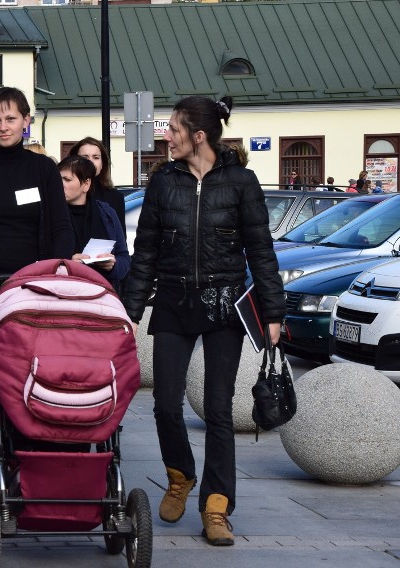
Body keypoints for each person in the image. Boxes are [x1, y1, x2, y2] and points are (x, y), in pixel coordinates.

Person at [121, 95, 285, 547]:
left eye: (173, 129)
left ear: (198, 136)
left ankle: (217, 507)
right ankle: (180, 476)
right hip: (173, 301)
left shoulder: (241, 182)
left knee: (218, 409)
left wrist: (273, 312)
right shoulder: (162, 183)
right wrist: (127, 312)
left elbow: (261, 251)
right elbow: (146, 254)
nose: (165, 136)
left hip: (223, 306)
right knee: (165, 405)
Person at [0, 86, 73, 461]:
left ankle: (31, 434)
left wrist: (58, 272)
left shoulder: (42, 168)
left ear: (25, 120)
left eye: (10, 118)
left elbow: (60, 225)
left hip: (34, 283)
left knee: (31, 365)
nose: (3, 127)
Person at [58, 155, 130, 289]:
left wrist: (112, 265)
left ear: (86, 184)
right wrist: (66, 264)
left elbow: (124, 259)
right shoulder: (51, 213)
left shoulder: (107, 213)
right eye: (58, 179)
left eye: (67, 179)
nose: (60, 184)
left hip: (101, 294)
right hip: (62, 294)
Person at [68, 137, 126, 238]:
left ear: (102, 164)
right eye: (85, 157)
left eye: (96, 157)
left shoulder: (115, 198)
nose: (90, 162)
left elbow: (120, 239)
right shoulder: (64, 193)